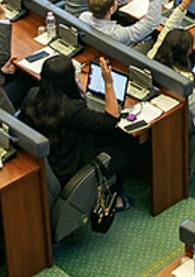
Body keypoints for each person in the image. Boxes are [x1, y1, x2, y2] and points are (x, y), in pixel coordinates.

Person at [21, 56, 134, 204]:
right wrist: (108, 82)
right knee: (123, 150)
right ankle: (115, 199)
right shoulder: (72, 110)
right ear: (68, 80)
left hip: (53, 155)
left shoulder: (32, 95)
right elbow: (111, 119)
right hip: (69, 166)